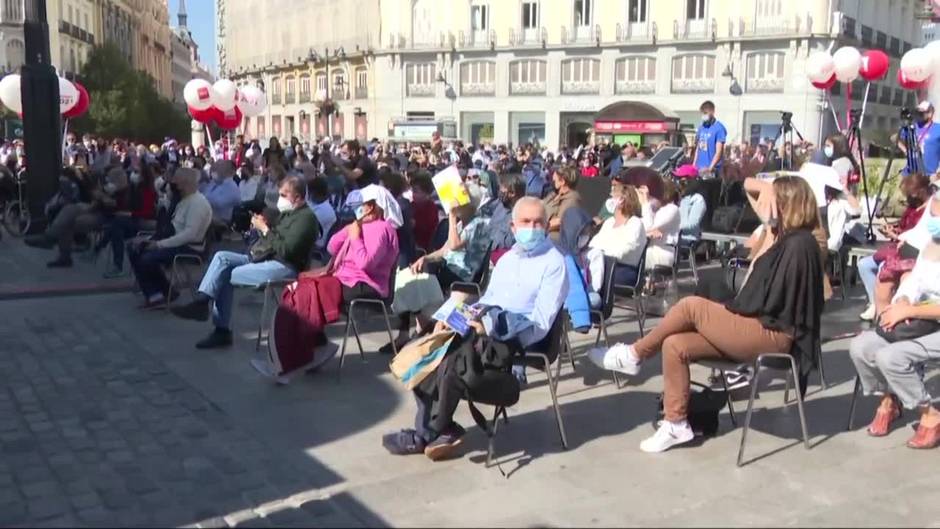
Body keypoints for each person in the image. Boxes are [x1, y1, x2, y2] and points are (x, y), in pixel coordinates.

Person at [588, 175, 825, 453]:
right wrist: (767, 196)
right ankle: (676, 424)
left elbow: (771, 304)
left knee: (691, 307)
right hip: (756, 325)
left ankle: (634, 354)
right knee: (675, 345)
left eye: (772, 202)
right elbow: (747, 184)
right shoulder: (777, 237)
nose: (763, 207)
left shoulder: (801, 244)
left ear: (785, 205)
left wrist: (727, 313)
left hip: (773, 334)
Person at [382, 197, 568, 460]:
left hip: (515, 337)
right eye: (526, 222)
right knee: (426, 346)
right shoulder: (507, 260)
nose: (533, 227)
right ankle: (436, 427)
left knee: (456, 357)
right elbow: (486, 301)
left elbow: (540, 323)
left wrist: (489, 329)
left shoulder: (554, 263)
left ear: (547, 225)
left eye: (539, 222)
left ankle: (430, 432)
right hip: (484, 326)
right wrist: (452, 318)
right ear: (513, 228)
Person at [170, 176, 320, 348]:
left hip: (285, 266)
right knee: (221, 257)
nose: (280, 199)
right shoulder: (287, 214)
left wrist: (264, 229)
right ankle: (203, 301)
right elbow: (274, 239)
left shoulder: (306, 218)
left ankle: (220, 329)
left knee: (223, 274)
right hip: (265, 257)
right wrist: (260, 226)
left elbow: (287, 250)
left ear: (298, 197)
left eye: (284, 195)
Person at [849, 239, 940, 449]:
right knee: (862, 347)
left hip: (930, 321)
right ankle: (888, 400)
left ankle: (929, 414)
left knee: (891, 357)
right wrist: (903, 299)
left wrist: (911, 311)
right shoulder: (932, 245)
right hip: (921, 321)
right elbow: (914, 281)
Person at [128, 168, 213, 309]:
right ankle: (160, 293)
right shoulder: (181, 200)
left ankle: (161, 293)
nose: (172, 183)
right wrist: (151, 239)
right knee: (135, 247)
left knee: (147, 257)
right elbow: (170, 228)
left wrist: (159, 244)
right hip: (175, 242)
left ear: (186, 183)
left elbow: (189, 235)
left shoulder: (198, 203)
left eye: (176, 181)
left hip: (191, 247)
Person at [859, 174, 935, 321]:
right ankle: (874, 303)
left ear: (919, 192)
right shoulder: (913, 207)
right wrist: (893, 231)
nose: (908, 198)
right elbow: (908, 230)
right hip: (900, 246)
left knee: (885, 270)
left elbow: (920, 236)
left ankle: (887, 309)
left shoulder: (930, 208)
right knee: (864, 265)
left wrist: (897, 236)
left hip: (914, 251)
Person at [315, 184, 400, 303]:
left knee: (310, 294)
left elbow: (366, 263)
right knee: (304, 289)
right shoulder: (359, 226)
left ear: (370, 207)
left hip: (363, 284)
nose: (356, 209)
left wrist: (355, 238)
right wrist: (349, 230)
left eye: (360, 205)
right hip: (345, 279)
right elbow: (331, 247)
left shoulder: (381, 228)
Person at [586, 184, 647, 291]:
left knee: (591, 276)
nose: (610, 199)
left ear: (622, 200)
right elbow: (594, 243)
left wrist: (602, 253)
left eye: (613, 196)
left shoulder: (635, 223)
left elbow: (626, 249)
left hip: (622, 269)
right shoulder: (609, 222)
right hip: (602, 264)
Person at [102, 163, 158, 278]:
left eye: (137, 172)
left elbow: (148, 212)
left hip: (147, 221)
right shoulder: (134, 188)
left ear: (143, 175)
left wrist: (130, 214)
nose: (132, 174)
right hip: (135, 219)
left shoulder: (148, 189)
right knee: (116, 226)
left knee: (117, 223)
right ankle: (115, 264)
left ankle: (101, 249)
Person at [485, 173, 526, 263]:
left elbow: (506, 243)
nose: (500, 191)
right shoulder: (501, 205)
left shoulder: (521, 216)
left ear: (512, 193)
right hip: (484, 252)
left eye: (503, 188)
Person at [640, 180, 680, 270]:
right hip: (651, 249)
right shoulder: (655, 209)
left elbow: (648, 227)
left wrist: (645, 202)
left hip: (662, 252)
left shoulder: (672, 209)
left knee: (631, 258)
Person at [899, 101, 940, 176]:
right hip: (910, 175)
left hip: (929, 175)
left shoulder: (938, 129)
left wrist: (937, 175)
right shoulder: (912, 127)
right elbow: (895, 138)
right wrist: (906, 151)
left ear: (930, 114)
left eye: (921, 113)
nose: (919, 115)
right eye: (918, 113)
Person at [543, 166, 582, 241]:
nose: (552, 182)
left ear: (562, 181)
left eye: (554, 180)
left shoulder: (572, 198)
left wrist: (539, 229)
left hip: (554, 237)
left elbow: (560, 221)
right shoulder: (554, 194)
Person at [200, 160, 242, 228]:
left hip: (220, 225)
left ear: (227, 171)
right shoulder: (213, 183)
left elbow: (216, 203)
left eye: (217, 168)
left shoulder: (232, 188)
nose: (214, 170)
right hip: (207, 221)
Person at [693, 100, 727, 177]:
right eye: (702, 113)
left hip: (712, 170)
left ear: (712, 112)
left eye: (705, 113)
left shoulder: (719, 128)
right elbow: (698, 149)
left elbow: (719, 152)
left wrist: (710, 168)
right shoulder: (701, 128)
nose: (703, 116)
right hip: (699, 169)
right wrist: (694, 165)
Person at [305, 176, 337, 253]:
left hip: (315, 248)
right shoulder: (312, 202)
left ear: (313, 193)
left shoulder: (325, 211)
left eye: (308, 192)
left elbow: (304, 230)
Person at [409, 173, 440, 252]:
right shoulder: (410, 206)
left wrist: (415, 224)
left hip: (425, 250)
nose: (413, 194)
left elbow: (430, 229)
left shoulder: (432, 208)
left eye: (416, 191)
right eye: (413, 191)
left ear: (427, 193)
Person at [678, 179, 707, 246]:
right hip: (675, 238)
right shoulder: (680, 198)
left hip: (688, 239)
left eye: (682, 183)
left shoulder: (697, 199)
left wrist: (673, 227)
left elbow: (693, 224)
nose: (679, 185)